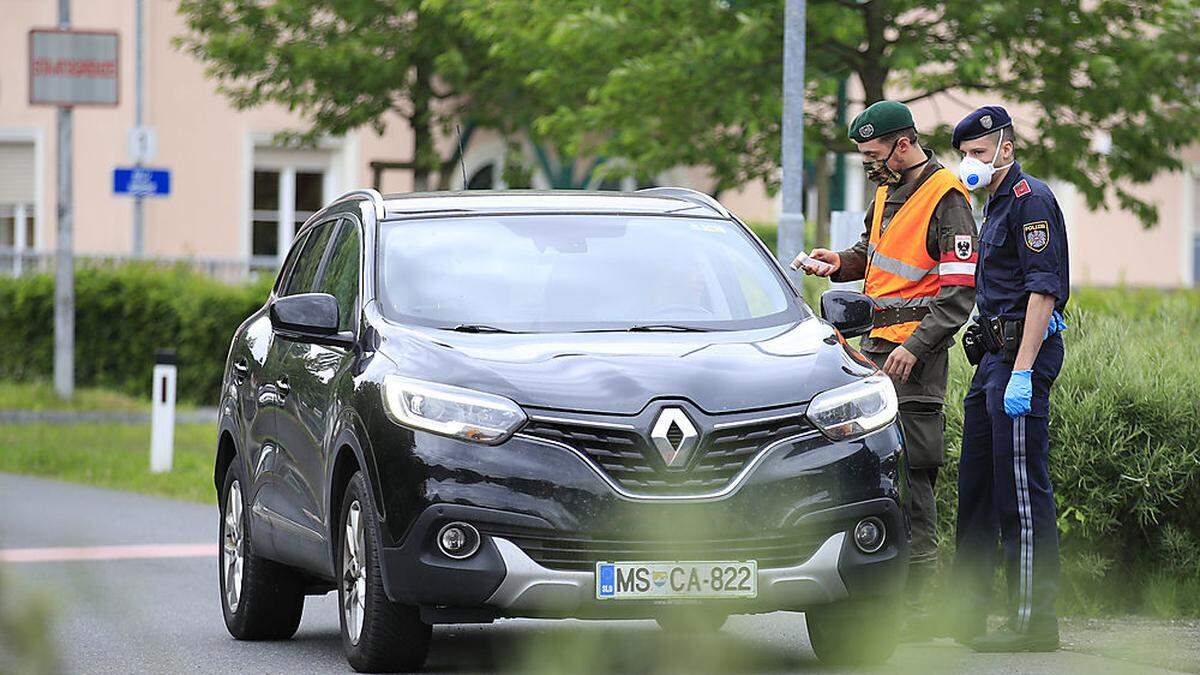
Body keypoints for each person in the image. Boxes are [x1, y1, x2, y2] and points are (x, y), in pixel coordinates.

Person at [799, 100, 977, 636]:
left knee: (915, 477)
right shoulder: (885, 192)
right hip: (874, 353)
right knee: (875, 472)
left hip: (913, 362)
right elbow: (870, 253)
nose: (869, 165)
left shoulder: (947, 198)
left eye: (874, 154)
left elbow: (959, 291)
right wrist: (840, 263)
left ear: (903, 144)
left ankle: (922, 609)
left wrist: (917, 347)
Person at [950, 105, 1069, 652]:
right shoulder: (993, 204)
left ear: (1006, 147)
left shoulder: (1031, 201)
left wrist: (1022, 370)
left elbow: (1043, 292)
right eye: (965, 155)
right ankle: (967, 612)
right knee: (975, 487)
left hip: (1021, 357)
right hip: (992, 359)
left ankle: (1033, 622)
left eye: (977, 153)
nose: (970, 163)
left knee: (1021, 491)